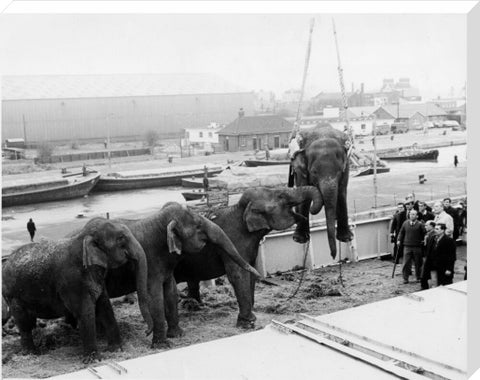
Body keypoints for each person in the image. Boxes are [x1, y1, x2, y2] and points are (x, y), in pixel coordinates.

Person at [398, 209, 425, 284]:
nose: (411, 216)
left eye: (413, 214)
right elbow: (401, 232)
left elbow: (424, 233)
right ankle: (405, 278)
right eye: (410, 214)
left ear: (417, 216)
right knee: (406, 263)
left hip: (417, 246)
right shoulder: (405, 223)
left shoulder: (420, 224)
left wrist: (423, 241)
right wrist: (399, 240)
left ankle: (419, 277)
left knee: (418, 263)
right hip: (407, 246)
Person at [420, 221, 436, 290]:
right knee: (424, 273)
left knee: (425, 273)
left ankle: (426, 287)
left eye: (427, 225)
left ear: (432, 226)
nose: (425, 227)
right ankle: (425, 286)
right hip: (426, 256)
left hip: (430, 257)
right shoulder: (428, 234)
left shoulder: (433, 235)